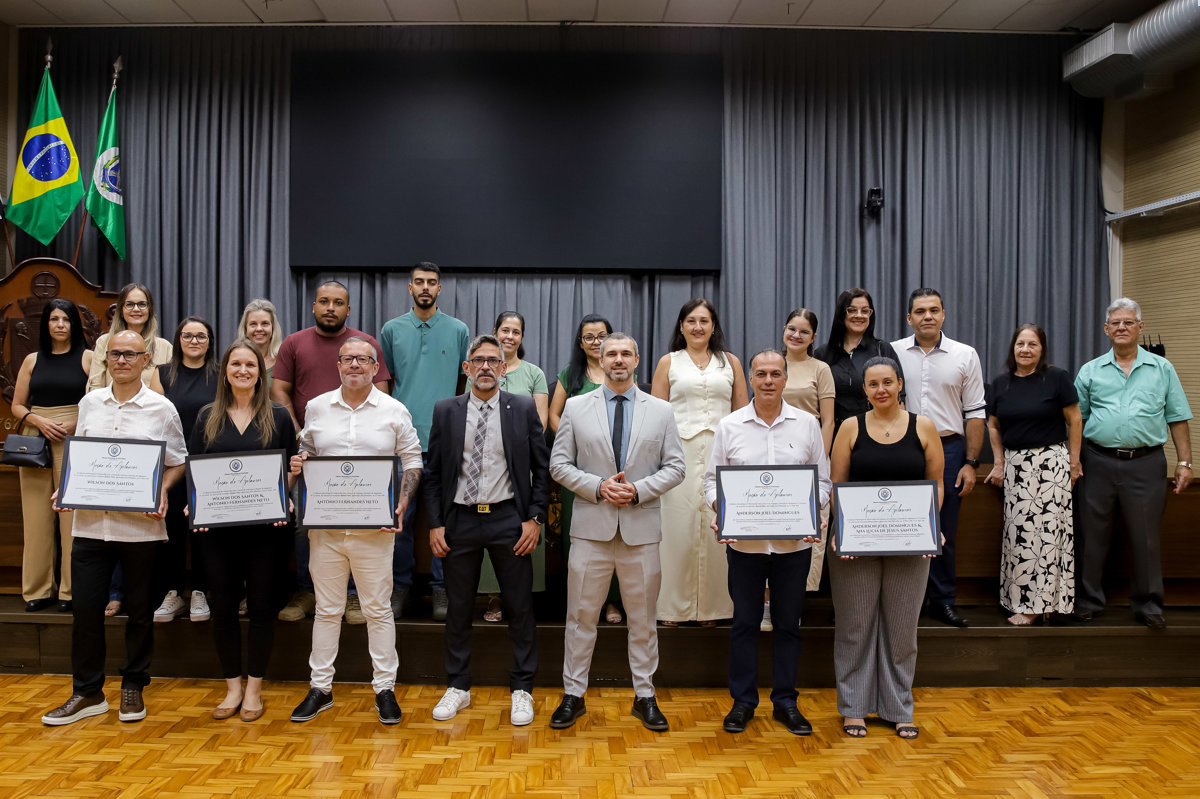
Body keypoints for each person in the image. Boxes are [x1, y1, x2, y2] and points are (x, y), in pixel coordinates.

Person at [41, 330, 188, 726]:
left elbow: (177, 461)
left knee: (140, 612)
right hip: (89, 527)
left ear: (146, 361)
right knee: (86, 612)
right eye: (115, 354)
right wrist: (66, 487)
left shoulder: (162, 409)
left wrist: (163, 490)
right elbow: (82, 459)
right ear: (107, 360)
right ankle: (87, 692)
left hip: (140, 530)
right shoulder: (89, 404)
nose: (122, 360)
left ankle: (134, 685)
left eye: (130, 354)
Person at [548, 333, 685, 732]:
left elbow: (676, 467)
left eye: (626, 353)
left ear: (637, 359)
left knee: (642, 620)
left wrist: (638, 491)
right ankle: (573, 695)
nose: (619, 360)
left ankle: (645, 696)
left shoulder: (660, 410)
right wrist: (597, 486)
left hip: (641, 531)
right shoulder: (575, 407)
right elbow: (559, 465)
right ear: (601, 360)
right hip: (591, 528)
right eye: (612, 354)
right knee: (580, 618)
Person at [288, 337, 423, 725]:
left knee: (377, 610)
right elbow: (308, 452)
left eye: (363, 360)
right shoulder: (316, 408)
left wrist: (402, 502)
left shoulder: (394, 410)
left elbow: (412, 460)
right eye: (348, 360)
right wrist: (300, 464)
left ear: (376, 367)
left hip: (374, 531)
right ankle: (321, 688)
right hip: (326, 531)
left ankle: (384, 689)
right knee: (328, 610)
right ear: (338, 365)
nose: (355, 366)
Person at [703, 350, 831, 736]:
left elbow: (822, 483)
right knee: (744, 623)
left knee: (788, 625)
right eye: (762, 374)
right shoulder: (730, 426)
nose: (769, 380)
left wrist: (812, 511)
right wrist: (721, 509)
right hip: (745, 548)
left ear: (786, 379)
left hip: (794, 547)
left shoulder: (807, 424)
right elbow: (712, 481)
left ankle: (786, 703)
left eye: (777, 374)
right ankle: (743, 702)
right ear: (753, 379)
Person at [424, 334, 549, 726]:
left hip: (508, 519)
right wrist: (435, 524)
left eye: (493, 361)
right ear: (466, 368)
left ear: (503, 368)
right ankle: (458, 685)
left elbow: (542, 470)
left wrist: (534, 518)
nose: (484, 367)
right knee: (459, 606)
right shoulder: (446, 410)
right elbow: (432, 474)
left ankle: (522, 689)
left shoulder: (523, 408)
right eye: (477, 360)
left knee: (519, 606)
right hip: (459, 519)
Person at [829, 356, 944, 739]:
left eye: (887, 382)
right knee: (855, 625)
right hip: (856, 546)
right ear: (864, 390)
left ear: (899, 384)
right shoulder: (850, 427)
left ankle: (899, 706)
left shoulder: (923, 427)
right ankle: (854, 708)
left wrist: (932, 527)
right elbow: (837, 485)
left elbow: (937, 485)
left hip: (910, 543)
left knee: (901, 628)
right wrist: (841, 529)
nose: (881, 390)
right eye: (873, 384)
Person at [189, 339, 297, 722]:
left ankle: (254, 688)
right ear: (225, 371)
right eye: (235, 364)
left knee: (263, 607)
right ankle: (232, 686)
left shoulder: (279, 416)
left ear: (260, 372)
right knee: (222, 607)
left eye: (250, 365)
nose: (243, 371)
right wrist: (194, 500)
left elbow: (286, 475)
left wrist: (289, 485)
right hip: (217, 531)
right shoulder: (207, 416)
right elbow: (196, 470)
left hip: (265, 530)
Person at [273, 280, 391, 624]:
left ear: (348, 309)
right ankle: (307, 591)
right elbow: (280, 390)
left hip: (362, 459)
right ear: (314, 306)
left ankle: (353, 596)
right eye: (324, 301)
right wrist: (301, 434)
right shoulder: (294, 343)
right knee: (306, 524)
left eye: (338, 302)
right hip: (314, 454)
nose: (330, 308)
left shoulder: (365, 344)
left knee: (357, 524)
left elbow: (381, 393)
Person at [1073, 298, 1193, 629]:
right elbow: (1075, 421)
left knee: (1146, 537)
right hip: (1097, 460)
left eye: (1129, 322)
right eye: (1116, 323)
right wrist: (1073, 462)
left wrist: (1184, 462)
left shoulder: (1162, 368)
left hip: (1146, 463)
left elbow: (1178, 418)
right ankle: (1088, 600)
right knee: (1091, 536)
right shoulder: (1090, 371)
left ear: (1140, 327)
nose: (1122, 327)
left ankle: (1148, 603)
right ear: (1106, 329)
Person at [378, 262, 471, 621]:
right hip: (402, 443)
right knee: (398, 520)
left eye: (432, 282)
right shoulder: (391, 330)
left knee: (445, 521)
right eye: (419, 282)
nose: (425, 287)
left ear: (440, 289)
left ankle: (441, 589)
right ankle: (400, 586)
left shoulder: (459, 330)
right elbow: (384, 383)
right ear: (410, 287)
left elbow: (464, 387)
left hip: (445, 442)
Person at [650, 298, 747, 626]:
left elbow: (742, 411)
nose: (697, 327)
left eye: (704, 321)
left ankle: (712, 609)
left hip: (722, 454)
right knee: (676, 529)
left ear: (714, 326)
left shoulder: (730, 362)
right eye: (691, 320)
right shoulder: (669, 362)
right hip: (678, 455)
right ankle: (672, 609)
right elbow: (656, 414)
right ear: (681, 326)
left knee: (716, 530)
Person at [892, 288, 985, 628]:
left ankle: (943, 599)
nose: (927, 316)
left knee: (943, 527)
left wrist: (971, 463)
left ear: (943, 314)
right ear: (909, 318)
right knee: (903, 524)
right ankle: (908, 602)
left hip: (949, 449)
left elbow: (975, 413)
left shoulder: (965, 355)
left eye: (933, 310)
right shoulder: (894, 352)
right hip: (903, 448)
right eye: (920, 311)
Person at [983, 324, 1082, 625]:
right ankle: (1021, 599)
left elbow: (1075, 419)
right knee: (1020, 536)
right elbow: (993, 425)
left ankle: (1041, 605)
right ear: (1013, 348)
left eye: (1032, 344)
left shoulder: (1057, 378)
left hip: (1051, 464)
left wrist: (1074, 462)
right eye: (1020, 344)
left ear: (1042, 349)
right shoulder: (1001, 384)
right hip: (1016, 467)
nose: (1025, 349)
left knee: (1049, 536)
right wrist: (999, 462)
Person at [10, 300, 92, 613]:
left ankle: (70, 592)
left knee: (72, 518)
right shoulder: (32, 360)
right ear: (46, 324)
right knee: (35, 518)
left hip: (74, 437)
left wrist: (74, 422)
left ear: (74, 324)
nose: (59, 324)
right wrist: (38, 421)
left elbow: (98, 399)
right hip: (35, 439)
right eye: (53, 319)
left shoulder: (88, 358)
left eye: (66, 319)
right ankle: (37, 590)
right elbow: (18, 404)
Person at [549, 314, 625, 624]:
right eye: (589, 337)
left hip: (620, 470)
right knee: (579, 538)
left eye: (601, 335)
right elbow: (555, 415)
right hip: (580, 473)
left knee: (619, 537)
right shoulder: (571, 374)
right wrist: (573, 445)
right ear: (580, 343)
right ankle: (584, 602)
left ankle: (613, 602)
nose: (596, 342)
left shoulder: (619, 372)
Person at [477, 311, 549, 623]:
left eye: (516, 332)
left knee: (522, 529)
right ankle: (494, 595)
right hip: (485, 465)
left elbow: (541, 422)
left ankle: (522, 596)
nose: (510, 336)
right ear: (495, 332)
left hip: (523, 465)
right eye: (505, 330)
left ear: (522, 337)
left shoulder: (534, 373)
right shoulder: (480, 369)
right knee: (488, 529)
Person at [152, 316, 220, 624]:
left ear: (210, 341)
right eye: (188, 335)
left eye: (201, 336)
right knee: (172, 531)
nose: (194, 340)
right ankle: (173, 592)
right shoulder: (162, 373)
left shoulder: (221, 374)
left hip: (211, 464)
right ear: (178, 340)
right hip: (173, 464)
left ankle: (202, 591)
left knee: (206, 531)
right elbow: (155, 419)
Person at [781, 308, 836, 600]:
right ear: (784, 330)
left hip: (809, 457)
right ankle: (768, 602)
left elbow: (828, 420)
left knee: (807, 530)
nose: (796, 335)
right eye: (792, 328)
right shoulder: (773, 364)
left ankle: (795, 601)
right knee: (773, 527)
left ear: (813, 337)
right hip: (774, 459)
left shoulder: (820, 369)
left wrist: (819, 462)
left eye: (804, 331)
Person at [814, 288, 901, 432]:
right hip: (833, 434)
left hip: (875, 432)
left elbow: (898, 398)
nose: (859, 315)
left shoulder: (882, 350)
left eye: (865, 311)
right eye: (852, 310)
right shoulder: (823, 354)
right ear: (842, 313)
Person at [86, 283, 172, 393]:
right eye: (130, 304)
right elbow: (95, 387)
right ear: (121, 310)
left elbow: (172, 391)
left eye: (142, 304)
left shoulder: (165, 347)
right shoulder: (104, 342)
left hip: (150, 409)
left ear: (149, 310)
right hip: (111, 408)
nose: (136, 309)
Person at [237, 299, 282, 394]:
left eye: (265, 323)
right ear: (245, 328)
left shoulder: (284, 360)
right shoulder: (235, 361)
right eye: (253, 324)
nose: (259, 329)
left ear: (273, 327)